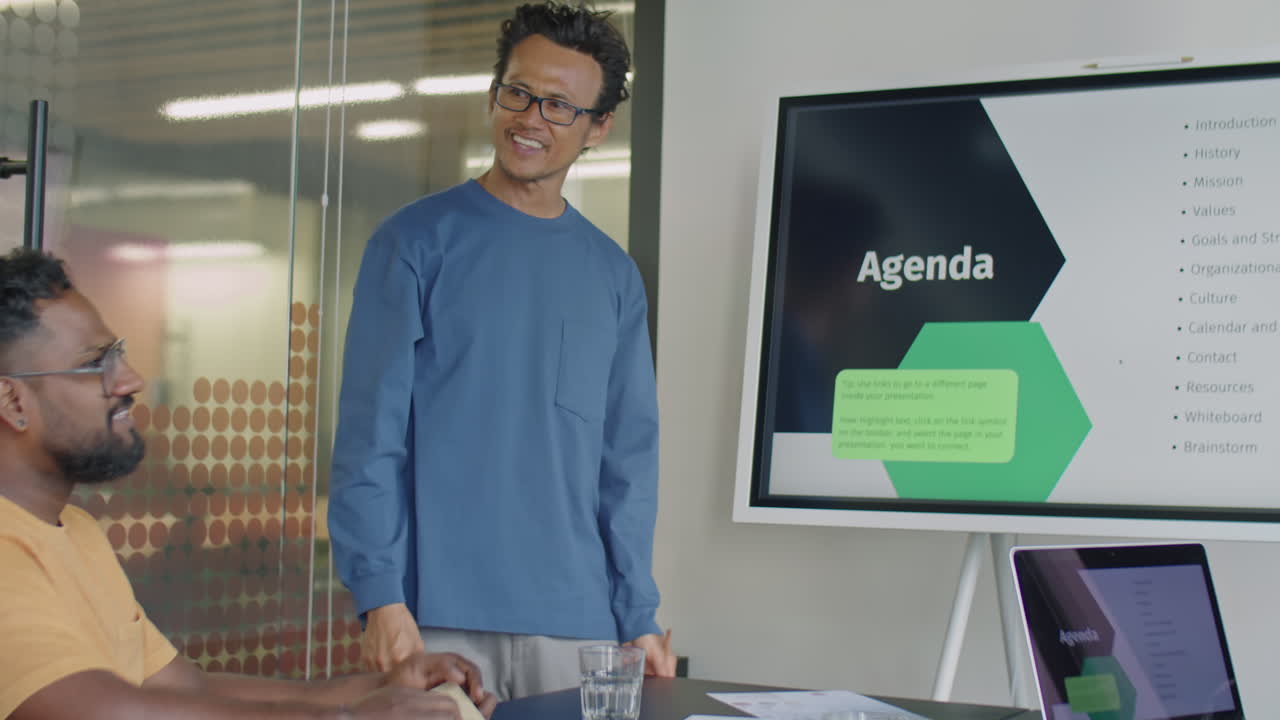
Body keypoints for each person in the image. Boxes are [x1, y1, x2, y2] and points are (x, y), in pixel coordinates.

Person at [328, 0, 675, 701]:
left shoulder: (612, 276)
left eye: (558, 106)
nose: (530, 119)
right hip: (437, 618)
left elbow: (627, 461)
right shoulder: (414, 244)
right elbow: (371, 439)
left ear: (598, 128)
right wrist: (380, 595)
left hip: (579, 626)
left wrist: (638, 614)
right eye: (517, 92)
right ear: (494, 95)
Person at [0, 248, 498, 720]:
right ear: (13, 402)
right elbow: (94, 711)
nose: (128, 379)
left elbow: (179, 691)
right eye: (94, 364)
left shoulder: (75, 531)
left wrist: (382, 688)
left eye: (118, 355)